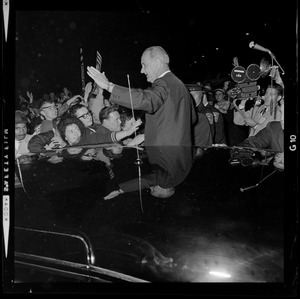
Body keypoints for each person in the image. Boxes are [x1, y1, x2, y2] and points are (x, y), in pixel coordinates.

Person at [87, 46, 197, 148]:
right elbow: (192, 119)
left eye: (144, 65)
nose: (142, 70)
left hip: (166, 154)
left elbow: (145, 99)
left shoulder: (164, 83)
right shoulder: (179, 85)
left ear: (157, 63)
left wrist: (109, 86)